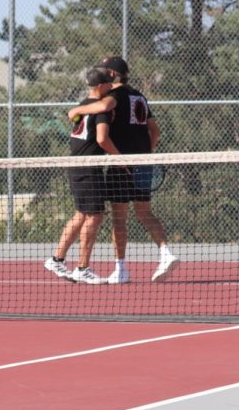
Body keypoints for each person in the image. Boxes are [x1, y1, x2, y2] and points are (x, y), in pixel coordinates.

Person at [67, 56, 177, 283]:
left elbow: (102, 111)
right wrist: (146, 153)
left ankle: (121, 269)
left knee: (119, 218)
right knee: (145, 213)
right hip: (143, 162)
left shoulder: (112, 97)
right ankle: (166, 253)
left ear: (111, 75)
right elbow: (155, 131)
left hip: (121, 163)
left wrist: (76, 110)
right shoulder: (141, 96)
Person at [44, 68, 122, 285]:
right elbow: (102, 139)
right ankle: (82, 267)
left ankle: (56, 259)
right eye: (108, 83)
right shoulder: (100, 110)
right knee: (95, 216)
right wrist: (120, 158)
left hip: (77, 165)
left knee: (81, 214)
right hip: (88, 166)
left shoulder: (83, 104)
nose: (112, 86)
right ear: (100, 86)